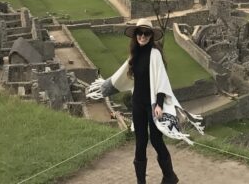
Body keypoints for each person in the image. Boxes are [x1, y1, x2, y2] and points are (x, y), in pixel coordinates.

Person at [87, 18, 204, 184]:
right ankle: (141, 182)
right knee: (140, 142)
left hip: (152, 104)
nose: (142, 36)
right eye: (139, 33)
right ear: (135, 35)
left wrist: (159, 105)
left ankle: (170, 176)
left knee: (156, 140)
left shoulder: (155, 55)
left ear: (151, 35)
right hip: (138, 103)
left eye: (146, 33)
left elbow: (162, 81)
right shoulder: (134, 55)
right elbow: (124, 76)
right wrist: (108, 86)